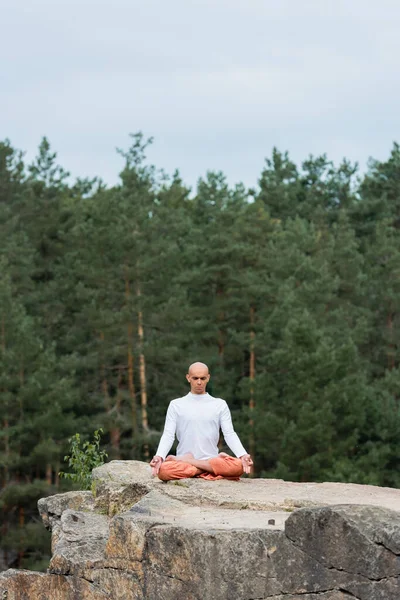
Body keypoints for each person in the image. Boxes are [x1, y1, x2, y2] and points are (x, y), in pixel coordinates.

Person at [150, 362, 253, 481]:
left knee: (239, 466)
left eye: (202, 378)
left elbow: (229, 434)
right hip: (185, 463)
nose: (199, 382)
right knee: (163, 471)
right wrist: (160, 456)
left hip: (210, 460)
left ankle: (195, 466)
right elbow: (168, 434)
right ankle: (206, 469)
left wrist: (243, 454)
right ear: (188, 378)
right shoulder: (176, 405)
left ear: (208, 378)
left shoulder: (219, 404)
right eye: (195, 378)